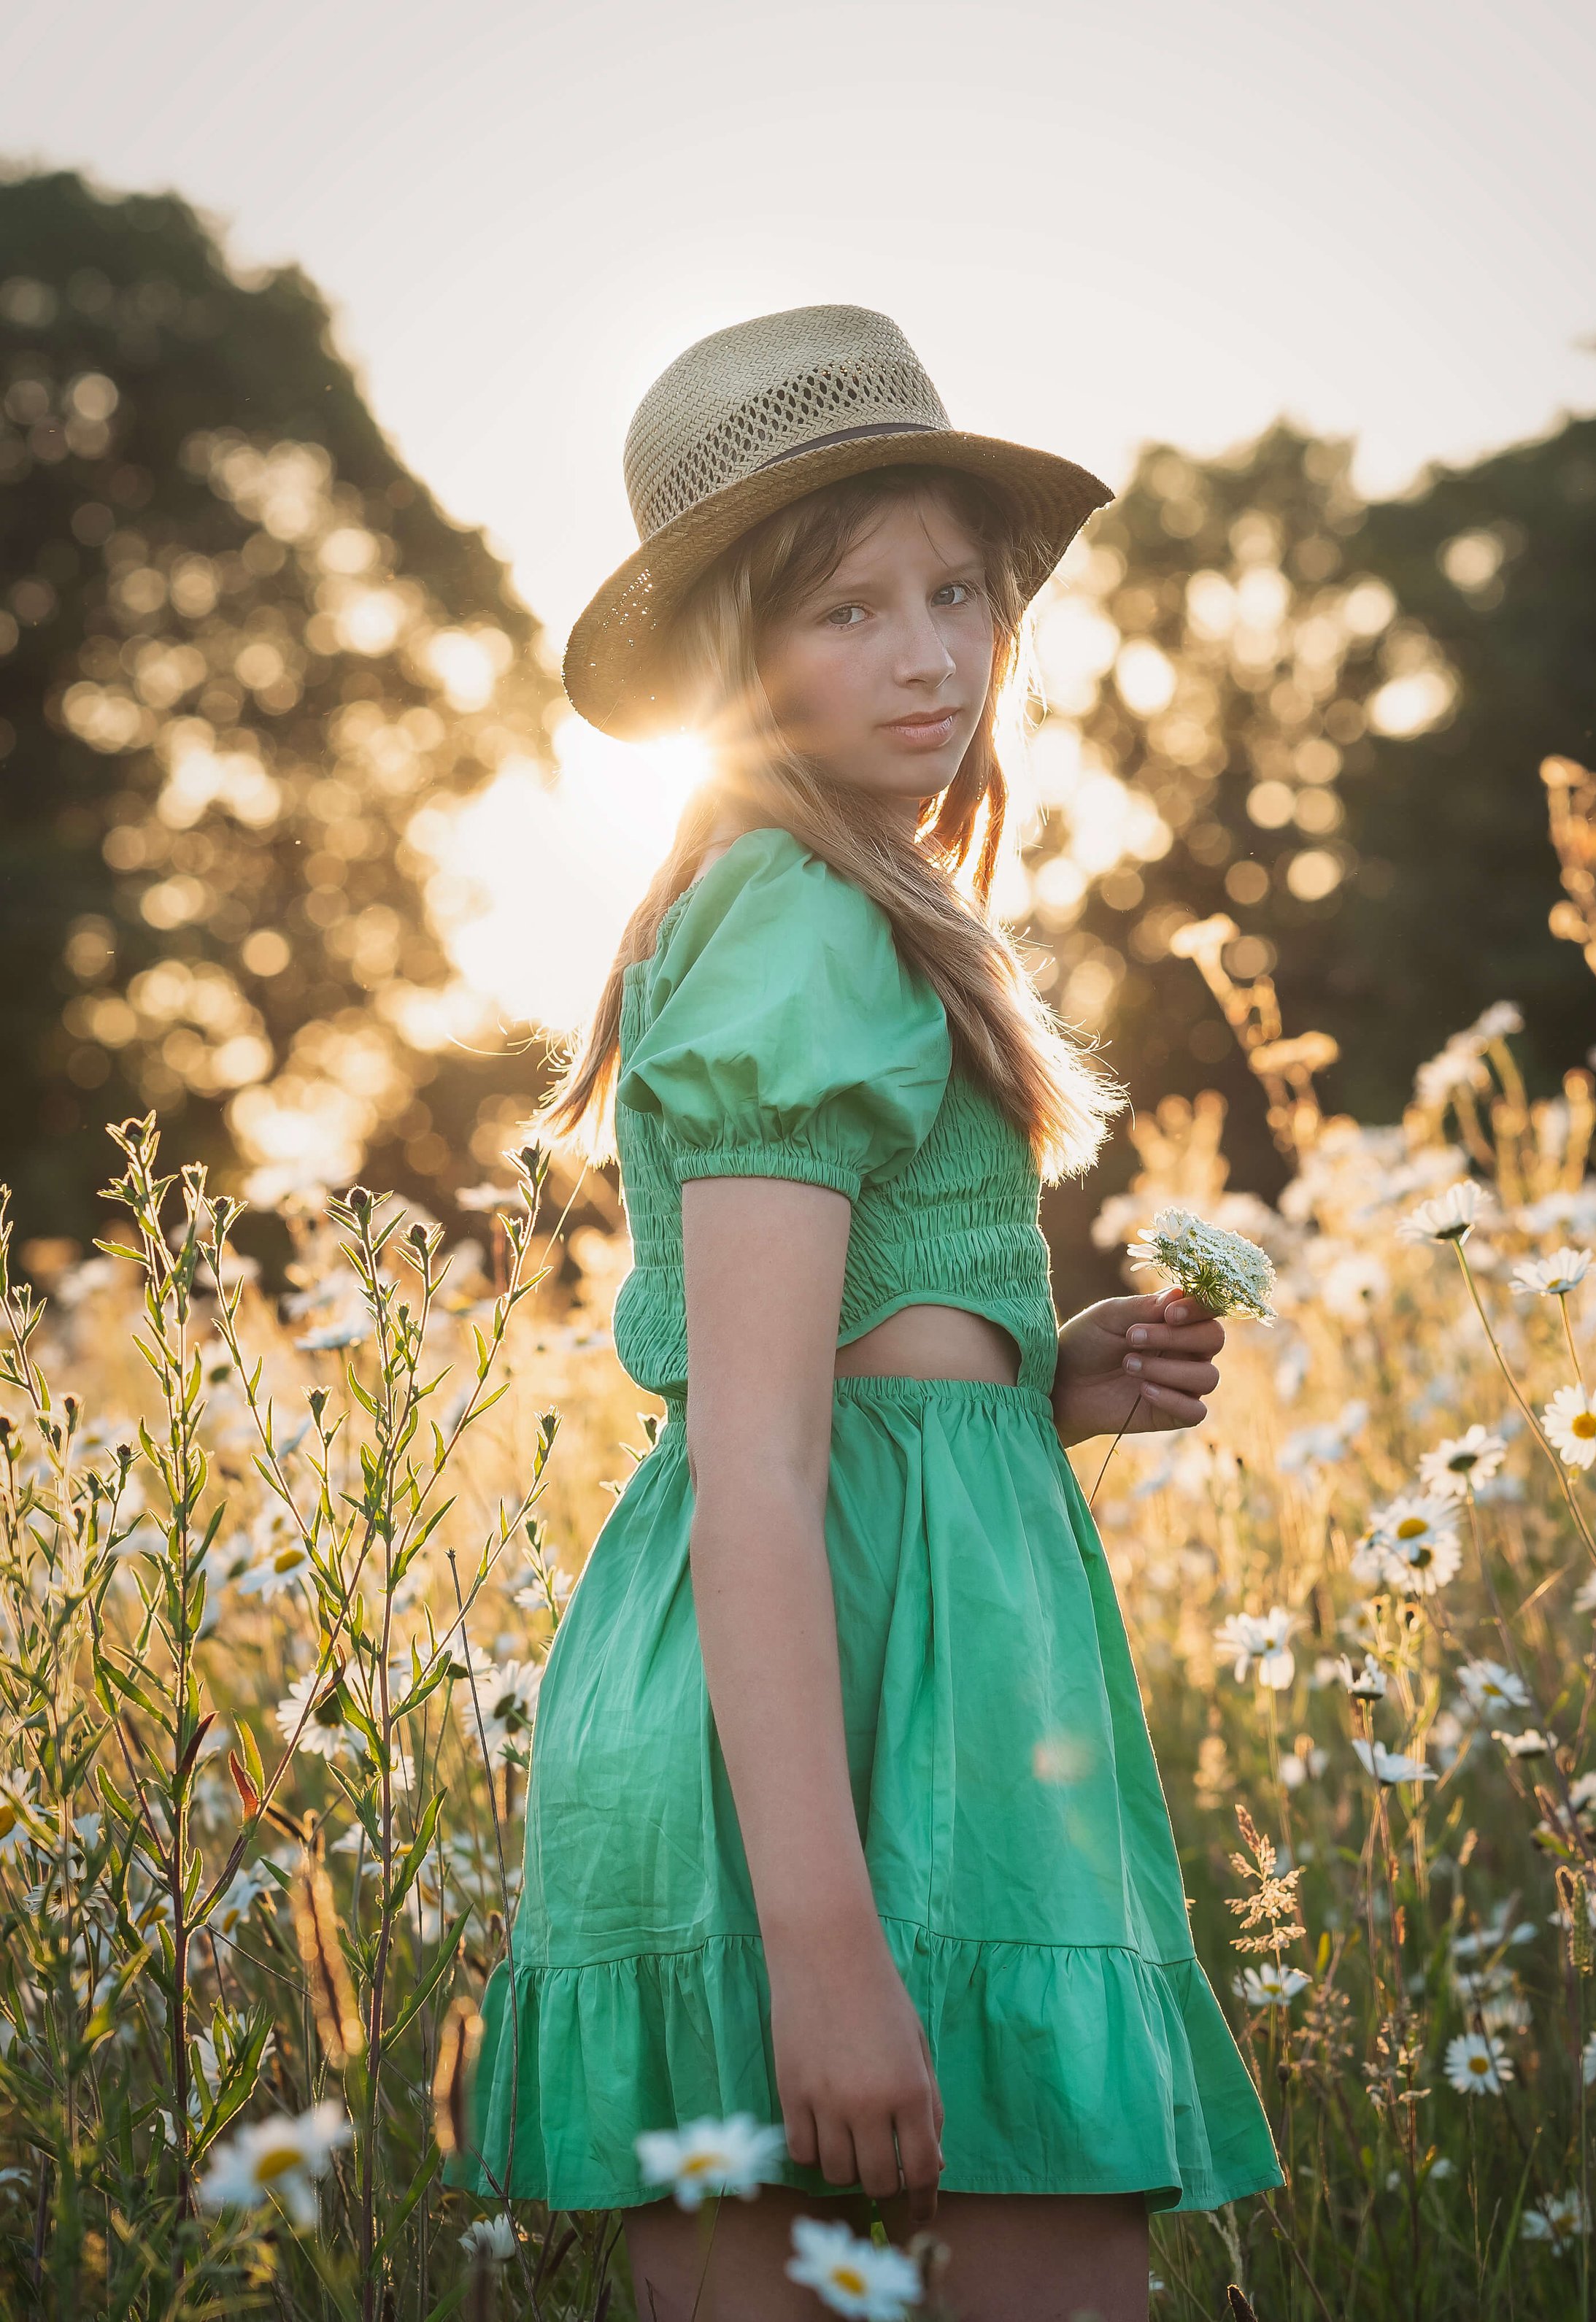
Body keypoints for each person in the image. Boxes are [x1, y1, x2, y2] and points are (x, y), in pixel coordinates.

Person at [443, 305, 1281, 2319]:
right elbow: (751, 1455)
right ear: (739, 661)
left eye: (957, 595)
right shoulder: (800, 922)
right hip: (811, 1751)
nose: (928, 654)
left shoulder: (864, 908)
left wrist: (1026, 1390)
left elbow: (837, 1378)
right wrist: (822, 1954)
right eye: (846, 611)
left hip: (933, 1688)